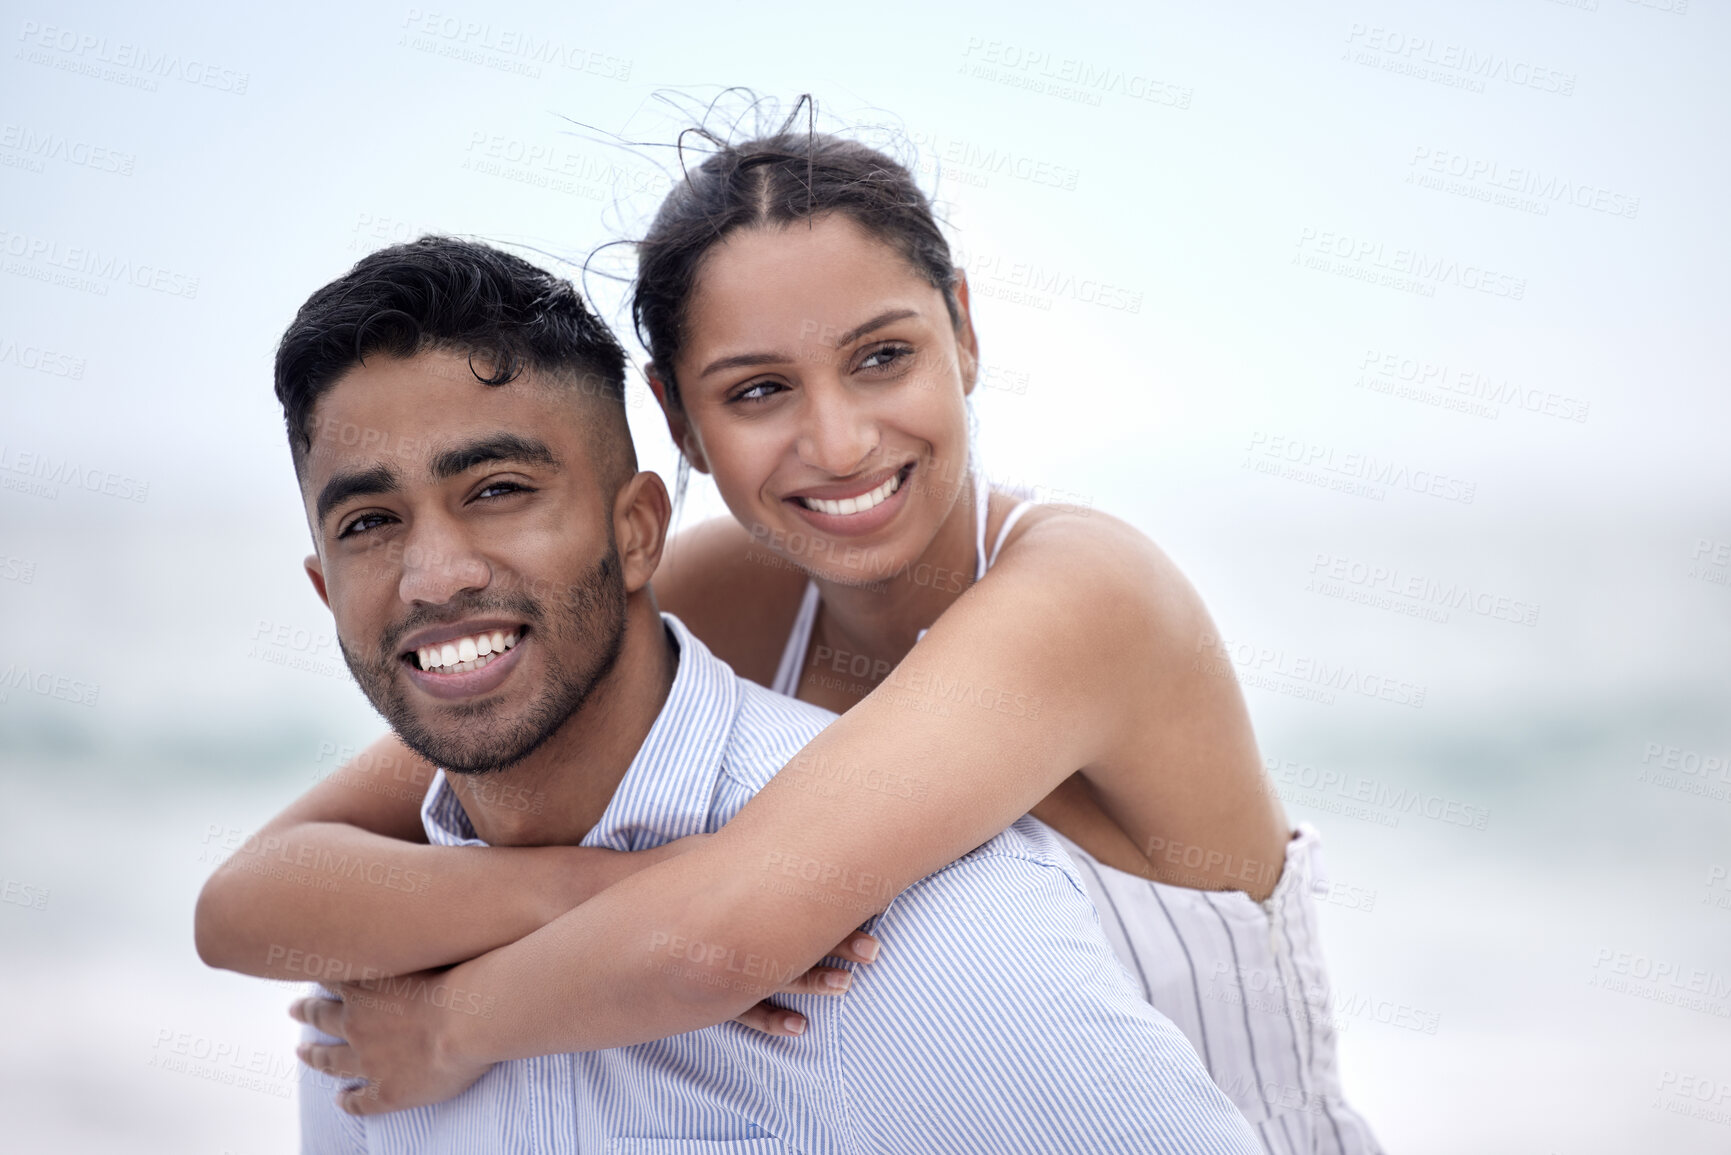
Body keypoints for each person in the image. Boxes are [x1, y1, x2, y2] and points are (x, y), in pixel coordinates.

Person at [198, 130, 1382, 1153]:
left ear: (963, 330)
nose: (840, 440)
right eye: (758, 390)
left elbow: (729, 934)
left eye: (883, 357)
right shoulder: (729, 586)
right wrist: (572, 887)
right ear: (680, 424)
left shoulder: (1082, 596)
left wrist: (455, 1028)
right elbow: (252, 899)